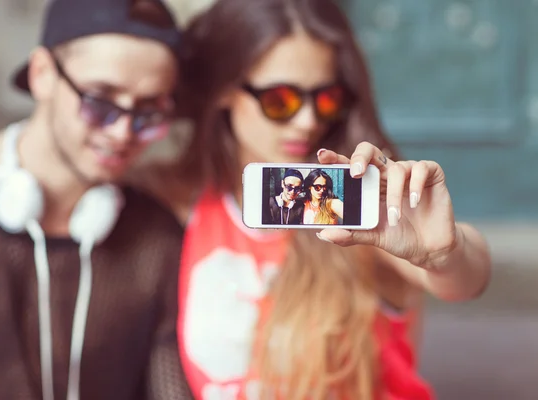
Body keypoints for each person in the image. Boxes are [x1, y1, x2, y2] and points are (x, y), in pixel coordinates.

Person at [138, 0, 492, 399]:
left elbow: (464, 281)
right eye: (280, 100)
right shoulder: (184, 196)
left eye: (326, 99)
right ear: (224, 92)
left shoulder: (364, 210)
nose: (308, 121)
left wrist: (448, 253)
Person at [0, 0, 194, 399]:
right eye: (99, 101)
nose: (123, 133)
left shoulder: (157, 237)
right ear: (42, 74)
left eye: (149, 111)